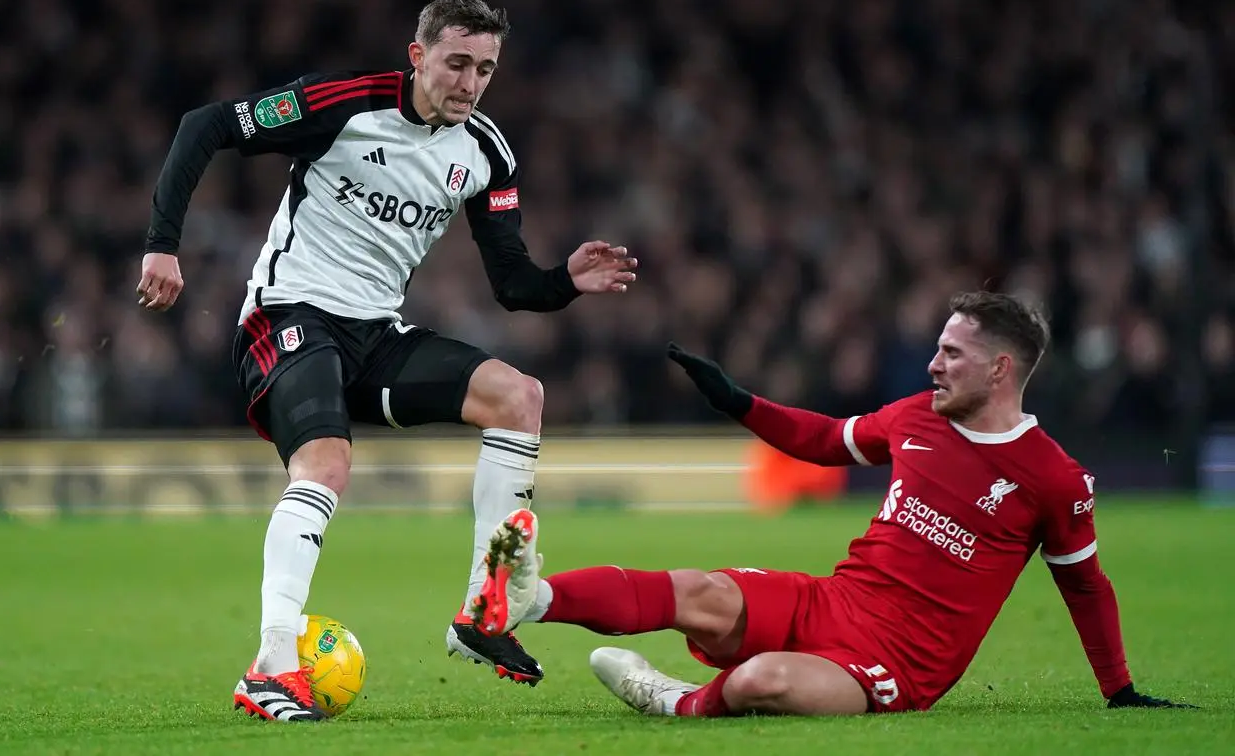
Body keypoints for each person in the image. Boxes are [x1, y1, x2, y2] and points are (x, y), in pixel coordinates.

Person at [137, 0, 637, 722]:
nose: (469, 83)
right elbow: (205, 125)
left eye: (485, 69)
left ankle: (481, 613)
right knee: (327, 463)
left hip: (374, 336)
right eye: (456, 63)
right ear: (418, 56)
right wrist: (162, 243)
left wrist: (566, 281)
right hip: (287, 315)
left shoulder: (485, 153)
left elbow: (511, 284)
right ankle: (271, 665)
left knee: (519, 396)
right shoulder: (344, 106)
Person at [470, 291, 1196, 716]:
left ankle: (677, 701)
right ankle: (531, 599)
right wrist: (738, 401)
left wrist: (1121, 691)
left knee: (761, 679)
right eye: (938, 349)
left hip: (900, 663)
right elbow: (824, 440)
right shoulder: (919, 417)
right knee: (703, 591)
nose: (933, 364)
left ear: (1001, 369)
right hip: (834, 602)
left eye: (952, 354)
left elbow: (1085, 586)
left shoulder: (1053, 478)